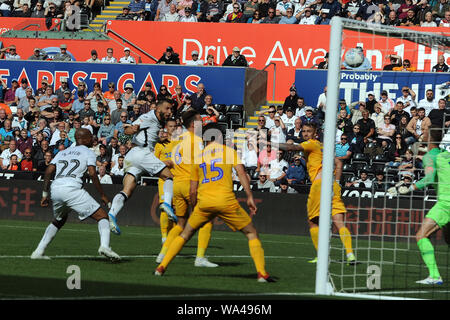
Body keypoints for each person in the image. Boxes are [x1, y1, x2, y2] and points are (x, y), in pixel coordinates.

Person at [155, 122, 276, 282]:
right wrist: (249, 196)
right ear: (220, 137)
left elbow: (193, 189)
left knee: (185, 233)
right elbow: (241, 173)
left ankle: (161, 267)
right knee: (251, 232)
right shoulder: (229, 152)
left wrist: (195, 207)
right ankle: (262, 273)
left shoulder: (199, 157)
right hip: (226, 201)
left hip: (204, 203)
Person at [31, 128, 121, 261]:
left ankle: (38, 251)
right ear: (83, 139)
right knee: (102, 216)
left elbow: (49, 170)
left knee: (59, 220)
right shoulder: (88, 152)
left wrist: (45, 194)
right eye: (90, 137)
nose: (93, 139)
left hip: (56, 188)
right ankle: (105, 246)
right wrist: (102, 194)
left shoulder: (63, 152)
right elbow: (92, 173)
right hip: (71, 188)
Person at [279, 122, 356, 264]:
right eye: (304, 131)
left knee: (313, 222)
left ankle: (322, 256)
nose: (306, 134)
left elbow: (291, 147)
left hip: (319, 185)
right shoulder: (323, 146)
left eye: (309, 131)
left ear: (315, 134)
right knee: (339, 221)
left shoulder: (311, 143)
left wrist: (270, 143)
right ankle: (350, 254)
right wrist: (337, 183)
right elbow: (338, 163)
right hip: (333, 185)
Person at [156, 110, 218, 267]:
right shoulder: (196, 140)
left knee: (180, 224)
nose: (203, 122)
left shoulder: (177, 138)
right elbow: (199, 163)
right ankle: (200, 258)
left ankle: (162, 254)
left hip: (176, 185)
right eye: (200, 120)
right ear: (192, 124)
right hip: (190, 184)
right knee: (206, 220)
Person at [388, 126, 448, 284]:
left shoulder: (430, 156)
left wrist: (408, 188)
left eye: (425, 133)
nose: (422, 135)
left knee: (421, 235)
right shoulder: (445, 155)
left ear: (429, 138)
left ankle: (434, 276)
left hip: (446, 203)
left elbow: (428, 179)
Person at [107, 99, 177, 235]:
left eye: (171, 109)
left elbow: (149, 134)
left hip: (131, 156)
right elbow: (127, 130)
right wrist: (131, 129)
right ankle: (167, 204)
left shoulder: (157, 121)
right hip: (142, 153)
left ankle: (112, 214)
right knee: (169, 177)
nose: (170, 112)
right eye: (167, 108)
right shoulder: (148, 117)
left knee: (127, 190)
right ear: (158, 109)